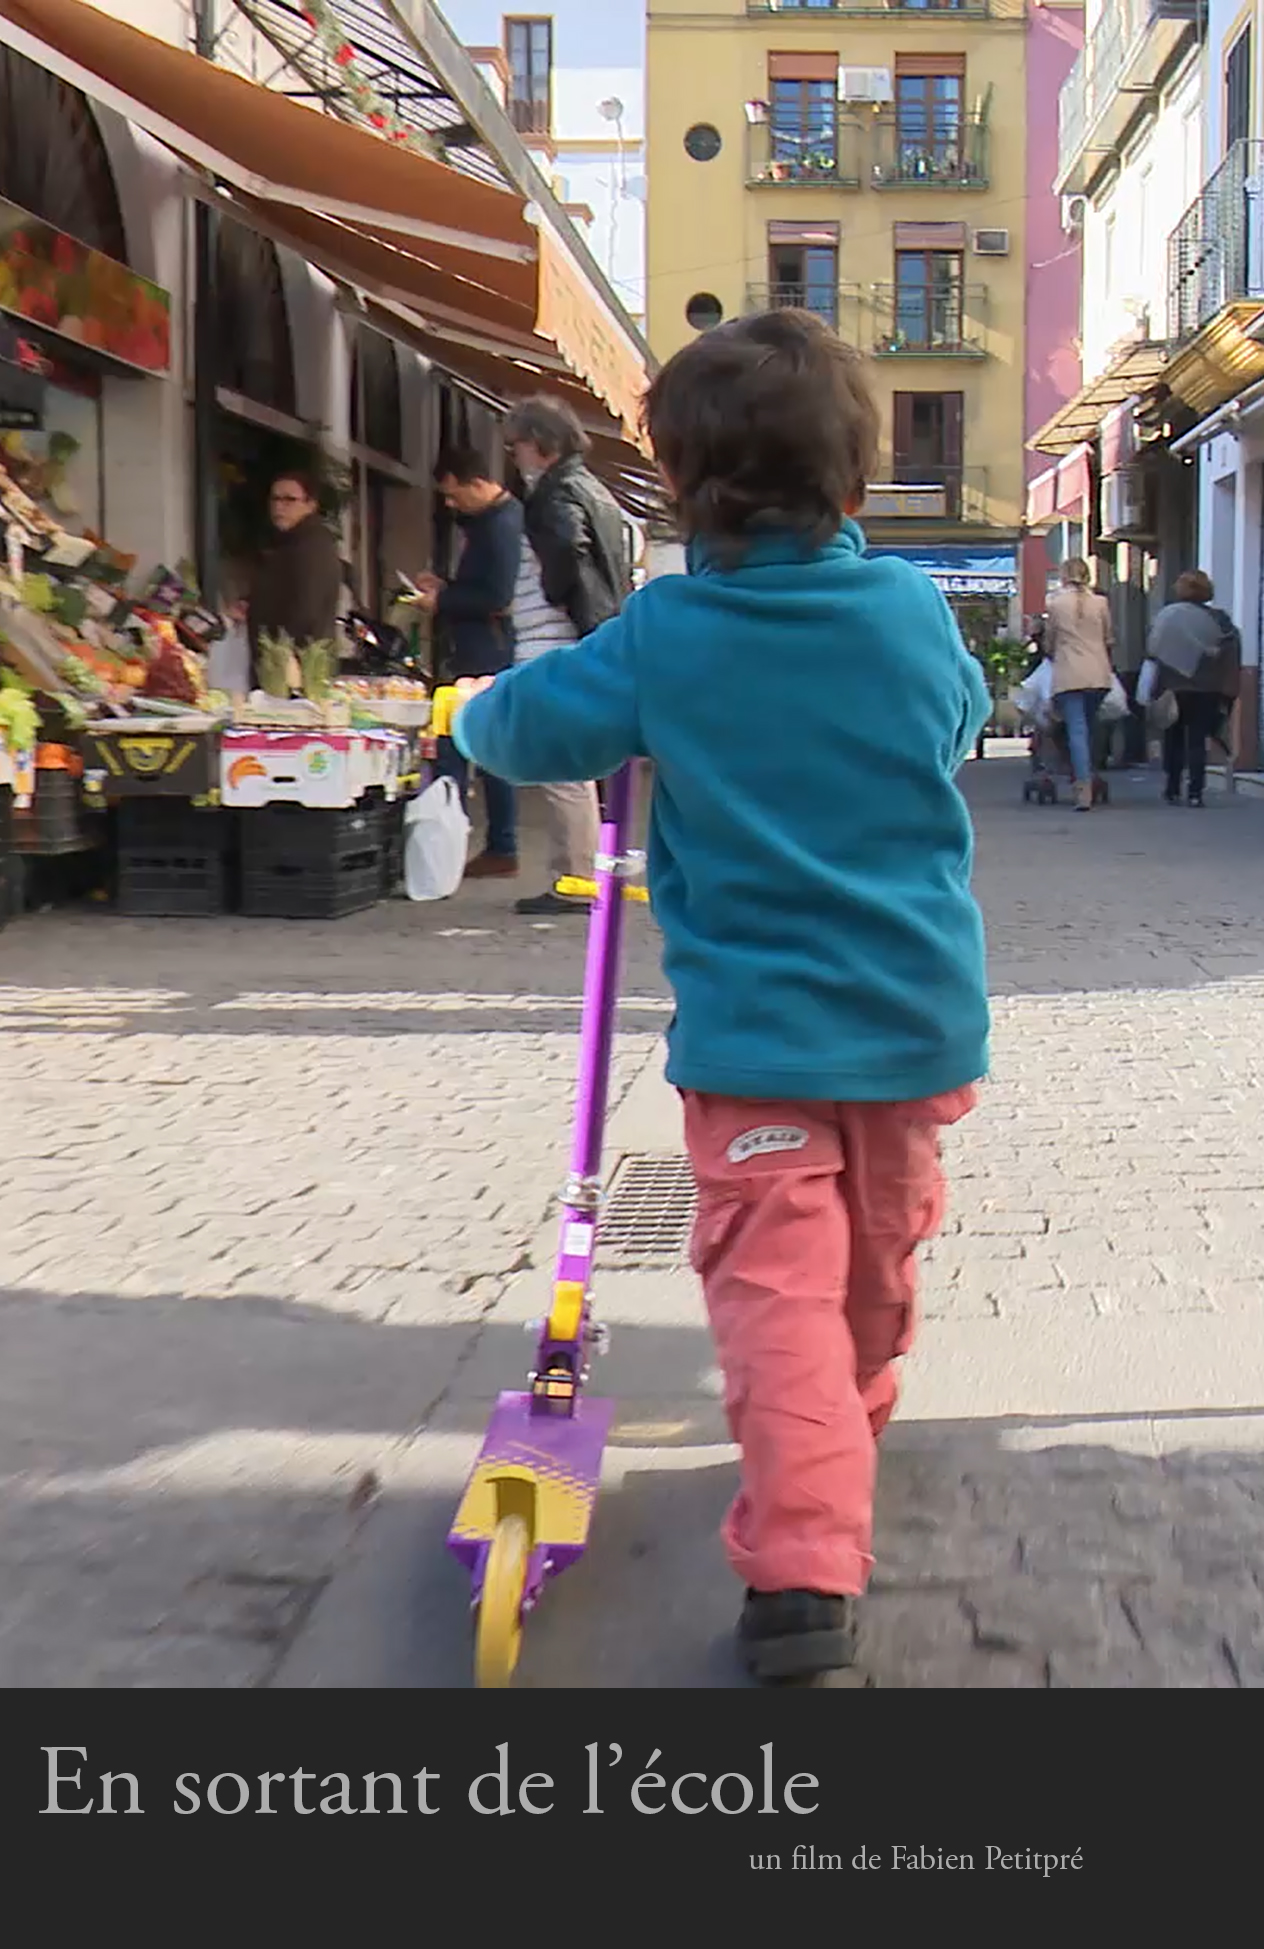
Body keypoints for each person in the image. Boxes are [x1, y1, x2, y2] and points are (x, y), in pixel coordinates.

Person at [449, 309, 989, 1685]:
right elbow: (964, 718)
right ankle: (842, 1437)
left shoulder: (671, 629)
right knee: (872, 1272)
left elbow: (530, 724)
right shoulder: (915, 614)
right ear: (857, 486)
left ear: (682, 492)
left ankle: (806, 1566)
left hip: (755, 1046)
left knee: (774, 1293)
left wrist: (463, 709)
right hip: (915, 1024)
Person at [503, 395, 631, 917]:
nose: (515, 458)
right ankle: (578, 870)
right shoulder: (591, 488)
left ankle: (576, 877)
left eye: (518, 447)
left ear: (542, 446)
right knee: (568, 761)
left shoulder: (554, 497)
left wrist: (557, 593)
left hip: (552, 637)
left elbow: (566, 558)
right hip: (576, 634)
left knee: (562, 764)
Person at [410, 447, 524, 879]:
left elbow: (496, 595)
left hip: (487, 650)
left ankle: (487, 843)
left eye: (455, 496)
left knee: (473, 742)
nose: (450, 504)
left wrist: (442, 600)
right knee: (467, 742)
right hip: (479, 645)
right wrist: (446, 587)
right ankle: (474, 840)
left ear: (477, 483)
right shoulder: (491, 522)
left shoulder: (501, 527)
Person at [1148, 569, 1242, 808]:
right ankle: (1196, 792)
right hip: (1207, 688)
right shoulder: (1219, 619)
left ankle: (1172, 788)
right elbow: (1229, 648)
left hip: (1174, 687)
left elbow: (1154, 649)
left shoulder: (1168, 616)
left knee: (1174, 737)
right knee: (1198, 740)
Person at [246, 470, 343, 689]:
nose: (279, 507)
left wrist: (281, 653)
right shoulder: (289, 543)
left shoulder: (312, 546)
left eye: (290, 500)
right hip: (279, 667)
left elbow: (307, 606)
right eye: (275, 499)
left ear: (311, 505)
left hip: (296, 671)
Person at [1043, 557, 1116, 811]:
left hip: (1069, 674)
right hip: (1098, 674)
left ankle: (1082, 787)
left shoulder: (1055, 603)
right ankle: (1090, 775)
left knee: (1076, 730)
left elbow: (1049, 642)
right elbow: (1109, 638)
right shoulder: (1101, 603)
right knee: (1090, 727)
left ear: (1063, 576)